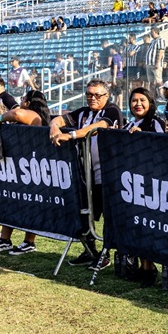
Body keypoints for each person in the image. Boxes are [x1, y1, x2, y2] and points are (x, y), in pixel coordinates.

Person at [50, 80, 122, 268]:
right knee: (82, 214)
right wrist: (54, 127)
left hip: (108, 173)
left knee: (109, 216)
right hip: (84, 172)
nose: (93, 98)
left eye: (97, 95)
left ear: (106, 96)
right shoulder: (83, 112)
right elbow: (60, 118)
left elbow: (100, 126)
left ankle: (109, 255)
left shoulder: (112, 110)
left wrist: (71, 135)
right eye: (89, 94)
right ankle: (91, 252)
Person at [0, 90, 53, 255]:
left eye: (24, 98)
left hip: (31, 169)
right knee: (11, 201)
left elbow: (17, 113)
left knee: (30, 204)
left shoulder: (34, 115)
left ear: (29, 102)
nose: (21, 101)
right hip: (20, 167)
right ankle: (4, 240)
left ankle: (29, 242)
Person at [120, 86, 167, 286]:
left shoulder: (156, 123)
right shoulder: (129, 123)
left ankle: (150, 268)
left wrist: (143, 138)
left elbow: (163, 147)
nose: (137, 104)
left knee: (149, 227)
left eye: (142, 100)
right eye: (134, 101)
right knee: (136, 225)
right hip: (132, 185)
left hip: (152, 184)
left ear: (150, 102)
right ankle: (142, 265)